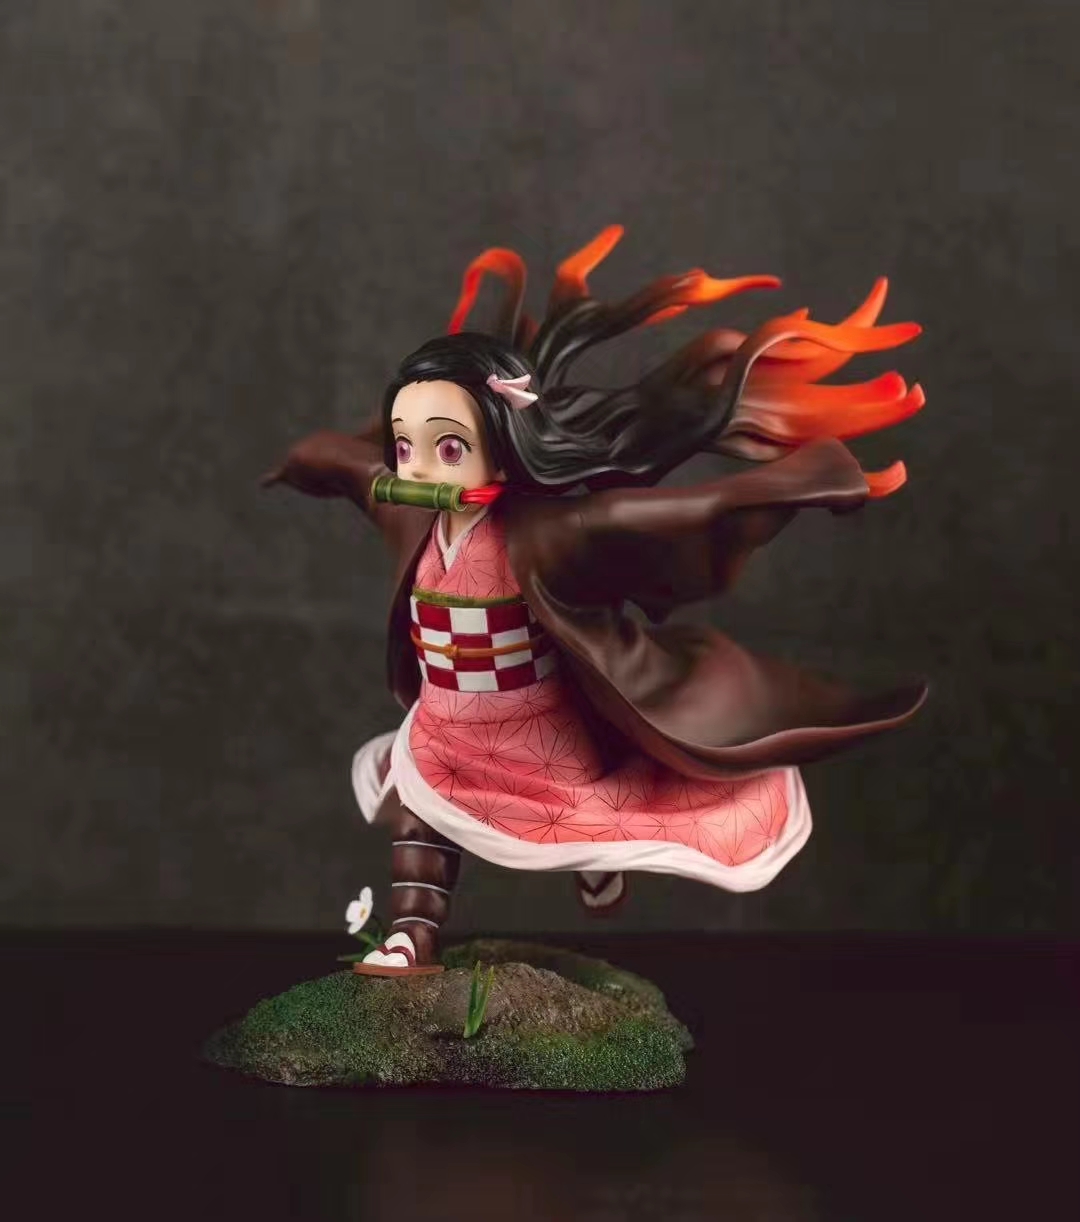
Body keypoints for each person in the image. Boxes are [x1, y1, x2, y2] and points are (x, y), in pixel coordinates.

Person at [261, 225, 928, 975]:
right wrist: (297, 463)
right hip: (446, 721)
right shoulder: (409, 514)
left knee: (586, 816)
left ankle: (597, 857)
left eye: (448, 448)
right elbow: (343, 463)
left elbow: (672, 513)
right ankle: (412, 936)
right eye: (405, 445)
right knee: (418, 798)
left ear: (502, 446)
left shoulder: (546, 532)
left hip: (538, 730)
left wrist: (810, 482)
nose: (417, 468)